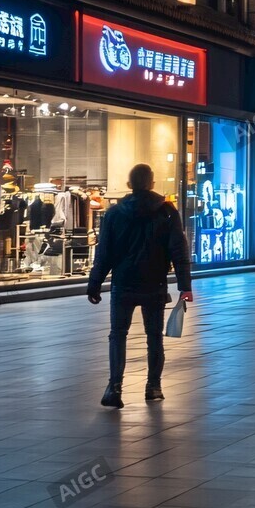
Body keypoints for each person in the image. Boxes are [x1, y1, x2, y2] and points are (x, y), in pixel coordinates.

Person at [87, 163, 192, 408]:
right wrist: (185, 286)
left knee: (118, 335)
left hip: (122, 284)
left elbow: (104, 253)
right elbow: (178, 250)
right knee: (154, 336)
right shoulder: (166, 211)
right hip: (154, 284)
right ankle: (153, 387)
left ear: (128, 185)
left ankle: (114, 387)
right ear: (152, 183)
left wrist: (94, 284)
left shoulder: (113, 214)